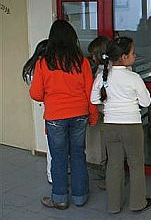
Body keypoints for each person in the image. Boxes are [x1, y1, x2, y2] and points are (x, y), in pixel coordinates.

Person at [29, 20, 98, 210]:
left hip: (55, 117)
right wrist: (93, 116)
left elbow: (35, 93)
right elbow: (89, 92)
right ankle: (80, 196)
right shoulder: (82, 62)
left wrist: (52, 97)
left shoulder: (44, 63)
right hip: (80, 114)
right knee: (78, 154)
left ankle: (59, 198)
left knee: (59, 157)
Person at [90, 36, 151, 214]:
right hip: (131, 126)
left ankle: (113, 205)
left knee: (114, 165)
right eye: (133, 52)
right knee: (136, 164)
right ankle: (138, 203)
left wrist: (110, 106)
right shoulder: (133, 77)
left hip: (110, 125)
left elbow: (94, 99)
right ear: (124, 57)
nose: (135, 55)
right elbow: (146, 102)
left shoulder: (103, 76)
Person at [22, 39, 53, 184]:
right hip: (49, 108)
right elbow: (37, 92)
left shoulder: (34, 66)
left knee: (54, 144)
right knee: (53, 144)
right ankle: (52, 174)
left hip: (51, 107)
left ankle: (55, 173)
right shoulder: (38, 68)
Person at [87, 35, 110, 188]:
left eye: (93, 55)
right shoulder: (121, 69)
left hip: (108, 116)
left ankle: (111, 177)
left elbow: (95, 99)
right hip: (121, 118)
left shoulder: (101, 74)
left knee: (111, 148)